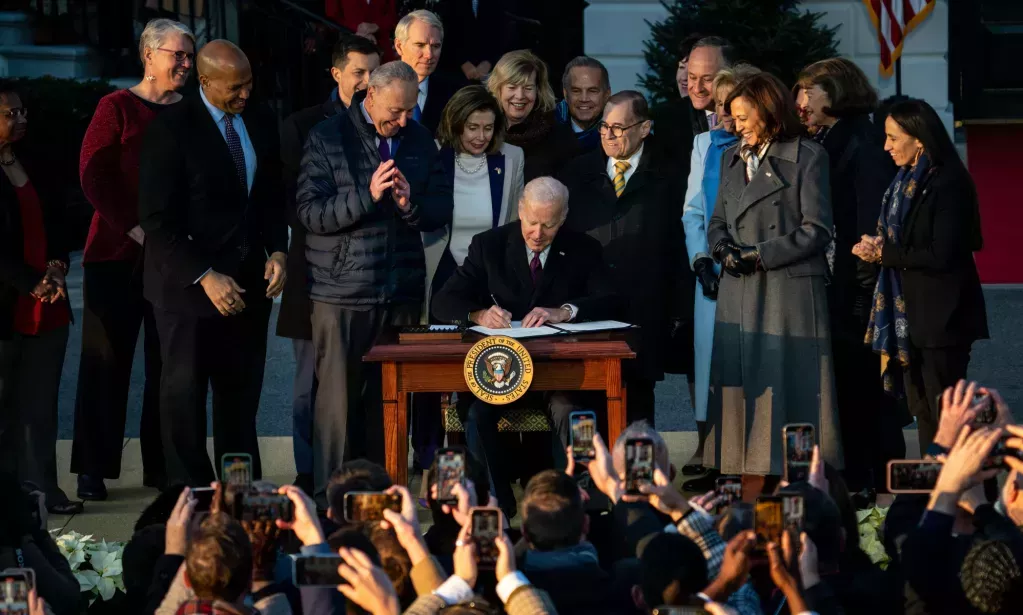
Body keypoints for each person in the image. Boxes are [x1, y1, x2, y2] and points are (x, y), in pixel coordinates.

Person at [138, 40, 288, 487]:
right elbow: (156, 220)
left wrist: (278, 250)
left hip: (246, 286)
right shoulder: (172, 129)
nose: (245, 94)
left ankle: (239, 495)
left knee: (239, 402)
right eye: (235, 87)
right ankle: (190, 496)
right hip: (187, 290)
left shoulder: (259, 119)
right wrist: (204, 275)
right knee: (183, 400)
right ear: (205, 82)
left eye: (249, 84)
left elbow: (270, 197)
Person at [296, 60, 443, 501]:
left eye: (409, 111)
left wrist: (409, 203)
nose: (402, 121)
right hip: (341, 292)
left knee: (388, 406)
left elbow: (438, 210)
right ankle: (330, 501)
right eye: (394, 112)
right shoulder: (327, 137)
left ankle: (382, 498)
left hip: (399, 291)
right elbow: (310, 213)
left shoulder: (419, 140)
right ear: (369, 95)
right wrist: (368, 195)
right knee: (337, 408)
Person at [431, 177, 619, 514]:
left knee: (572, 412)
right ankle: (494, 503)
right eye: (531, 222)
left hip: (557, 372)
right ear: (520, 211)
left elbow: (611, 299)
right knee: (476, 413)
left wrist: (565, 311)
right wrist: (478, 314)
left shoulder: (583, 248)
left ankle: (584, 497)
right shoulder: (488, 246)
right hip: (499, 372)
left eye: (548, 224)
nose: (537, 233)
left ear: (562, 219)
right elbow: (444, 301)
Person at [71, 18, 195, 501]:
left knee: (168, 367)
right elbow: (92, 175)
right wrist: (138, 228)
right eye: (176, 55)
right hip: (115, 254)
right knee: (105, 363)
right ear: (149, 54)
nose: (185, 63)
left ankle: (163, 469)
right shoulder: (116, 107)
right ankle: (92, 469)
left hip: (173, 259)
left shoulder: (193, 114)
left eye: (189, 55)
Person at [704, 72, 841, 500]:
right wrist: (722, 245)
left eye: (744, 116)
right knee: (744, 392)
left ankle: (801, 487)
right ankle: (746, 484)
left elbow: (817, 229)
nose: (736, 124)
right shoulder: (730, 158)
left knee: (791, 391)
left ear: (768, 111)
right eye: (733, 116)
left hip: (787, 291)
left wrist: (761, 253)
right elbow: (718, 220)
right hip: (740, 290)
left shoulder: (808, 156)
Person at [852, 98, 988, 451]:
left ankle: (968, 493)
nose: (886, 146)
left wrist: (886, 253)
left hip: (942, 318)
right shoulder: (903, 180)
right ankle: (934, 494)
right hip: (909, 318)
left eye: (894, 138)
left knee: (947, 414)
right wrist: (876, 249)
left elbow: (942, 253)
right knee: (923, 411)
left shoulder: (949, 181)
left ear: (920, 137)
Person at [278, 33, 381, 495]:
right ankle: (309, 472)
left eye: (372, 73)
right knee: (308, 387)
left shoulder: (389, 125)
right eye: (358, 72)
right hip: (312, 273)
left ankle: (354, 474)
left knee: (356, 389)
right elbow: (294, 201)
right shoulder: (303, 126)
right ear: (337, 73)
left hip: (369, 279)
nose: (366, 82)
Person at [795, 57, 900, 496]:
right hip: (843, 286)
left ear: (834, 91)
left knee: (864, 392)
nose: (800, 101)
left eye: (808, 91)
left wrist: (859, 289)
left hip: (859, 290)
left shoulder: (862, 138)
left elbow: (869, 217)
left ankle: (871, 479)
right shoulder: (833, 137)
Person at [559, 90, 692, 426]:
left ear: (645, 128)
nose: (609, 135)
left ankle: (636, 476)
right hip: (590, 304)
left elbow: (679, 245)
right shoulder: (579, 171)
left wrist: (678, 309)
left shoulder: (670, 176)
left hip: (644, 306)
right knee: (586, 399)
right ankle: (591, 476)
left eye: (619, 128)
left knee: (637, 404)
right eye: (604, 127)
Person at [412, 85, 526, 476]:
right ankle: (427, 455)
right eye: (472, 127)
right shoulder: (434, 156)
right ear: (455, 125)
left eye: (488, 128)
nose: (480, 136)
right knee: (431, 365)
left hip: (484, 272)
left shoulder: (512, 158)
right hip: (439, 269)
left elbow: (513, 222)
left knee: (479, 366)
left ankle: (476, 460)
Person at [0, 82, 80, 515]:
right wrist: (29, 279)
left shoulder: (35, 162)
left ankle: (45, 490)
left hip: (46, 302)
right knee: (5, 409)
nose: (20, 119)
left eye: (21, 111)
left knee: (41, 406)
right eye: (9, 114)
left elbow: (60, 221)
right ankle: (9, 499)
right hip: (8, 303)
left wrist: (54, 267)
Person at [680, 64, 760, 492]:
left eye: (733, 107)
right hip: (711, 271)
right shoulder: (703, 144)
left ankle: (749, 461)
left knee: (751, 366)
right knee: (711, 365)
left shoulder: (768, 146)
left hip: (753, 271)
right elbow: (694, 209)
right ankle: (715, 456)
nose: (725, 117)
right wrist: (700, 260)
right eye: (720, 107)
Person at [487, 49, 581, 181]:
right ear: (498, 89)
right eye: (512, 87)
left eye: (528, 88)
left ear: (538, 90)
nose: (520, 96)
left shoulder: (559, 136)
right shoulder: (483, 131)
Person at [650, 34, 730, 169]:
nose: (697, 88)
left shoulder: (747, 114)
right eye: (692, 77)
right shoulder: (665, 118)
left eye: (707, 79)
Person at [394, 9, 462, 135]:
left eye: (436, 46)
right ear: (399, 46)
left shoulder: (455, 94)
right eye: (420, 45)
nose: (429, 55)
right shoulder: (377, 87)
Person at [437, 0, 507, 82]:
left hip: (489, 72)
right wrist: (463, 63)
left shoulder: (497, 3)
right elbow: (445, 34)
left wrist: (489, 62)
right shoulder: (450, 3)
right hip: (453, 70)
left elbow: (502, 35)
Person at [555, 56, 611, 152]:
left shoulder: (620, 135)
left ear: (606, 95)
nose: (584, 99)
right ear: (565, 94)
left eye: (592, 91)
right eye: (576, 91)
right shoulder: (545, 130)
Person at [324, 0, 397, 57]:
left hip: (383, 49)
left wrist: (377, 25)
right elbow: (332, 17)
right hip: (350, 47)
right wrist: (359, 30)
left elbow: (394, 15)